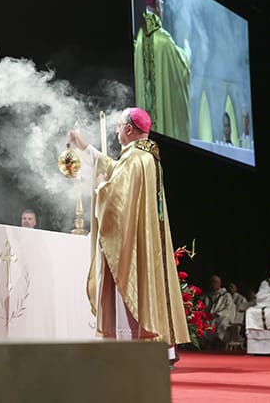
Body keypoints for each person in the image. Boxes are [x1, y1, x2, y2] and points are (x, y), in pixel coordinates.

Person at [67, 107, 189, 365]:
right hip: (143, 238)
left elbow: (116, 199)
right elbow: (114, 169)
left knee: (128, 284)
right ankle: (160, 348)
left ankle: (131, 346)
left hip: (131, 242)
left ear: (129, 129)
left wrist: (101, 186)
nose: (116, 130)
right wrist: (86, 147)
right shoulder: (145, 156)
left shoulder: (135, 159)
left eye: (119, 126)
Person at [133, 0, 191, 142]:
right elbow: (182, 68)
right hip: (164, 136)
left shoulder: (139, 40)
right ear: (158, 4)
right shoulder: (164, 40)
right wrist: (188, 50)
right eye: (162, 4)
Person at [202, 274, 237, 347]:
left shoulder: (226, 295)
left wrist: (217, 314)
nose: (213, 284)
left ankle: (219, 341)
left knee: (222, 323)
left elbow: (229, 308)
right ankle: (205, 343)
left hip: (221, 316)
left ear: (219, 283)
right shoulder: (206, 295)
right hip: (209, 317)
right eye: (212, 282)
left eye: (215, 282)